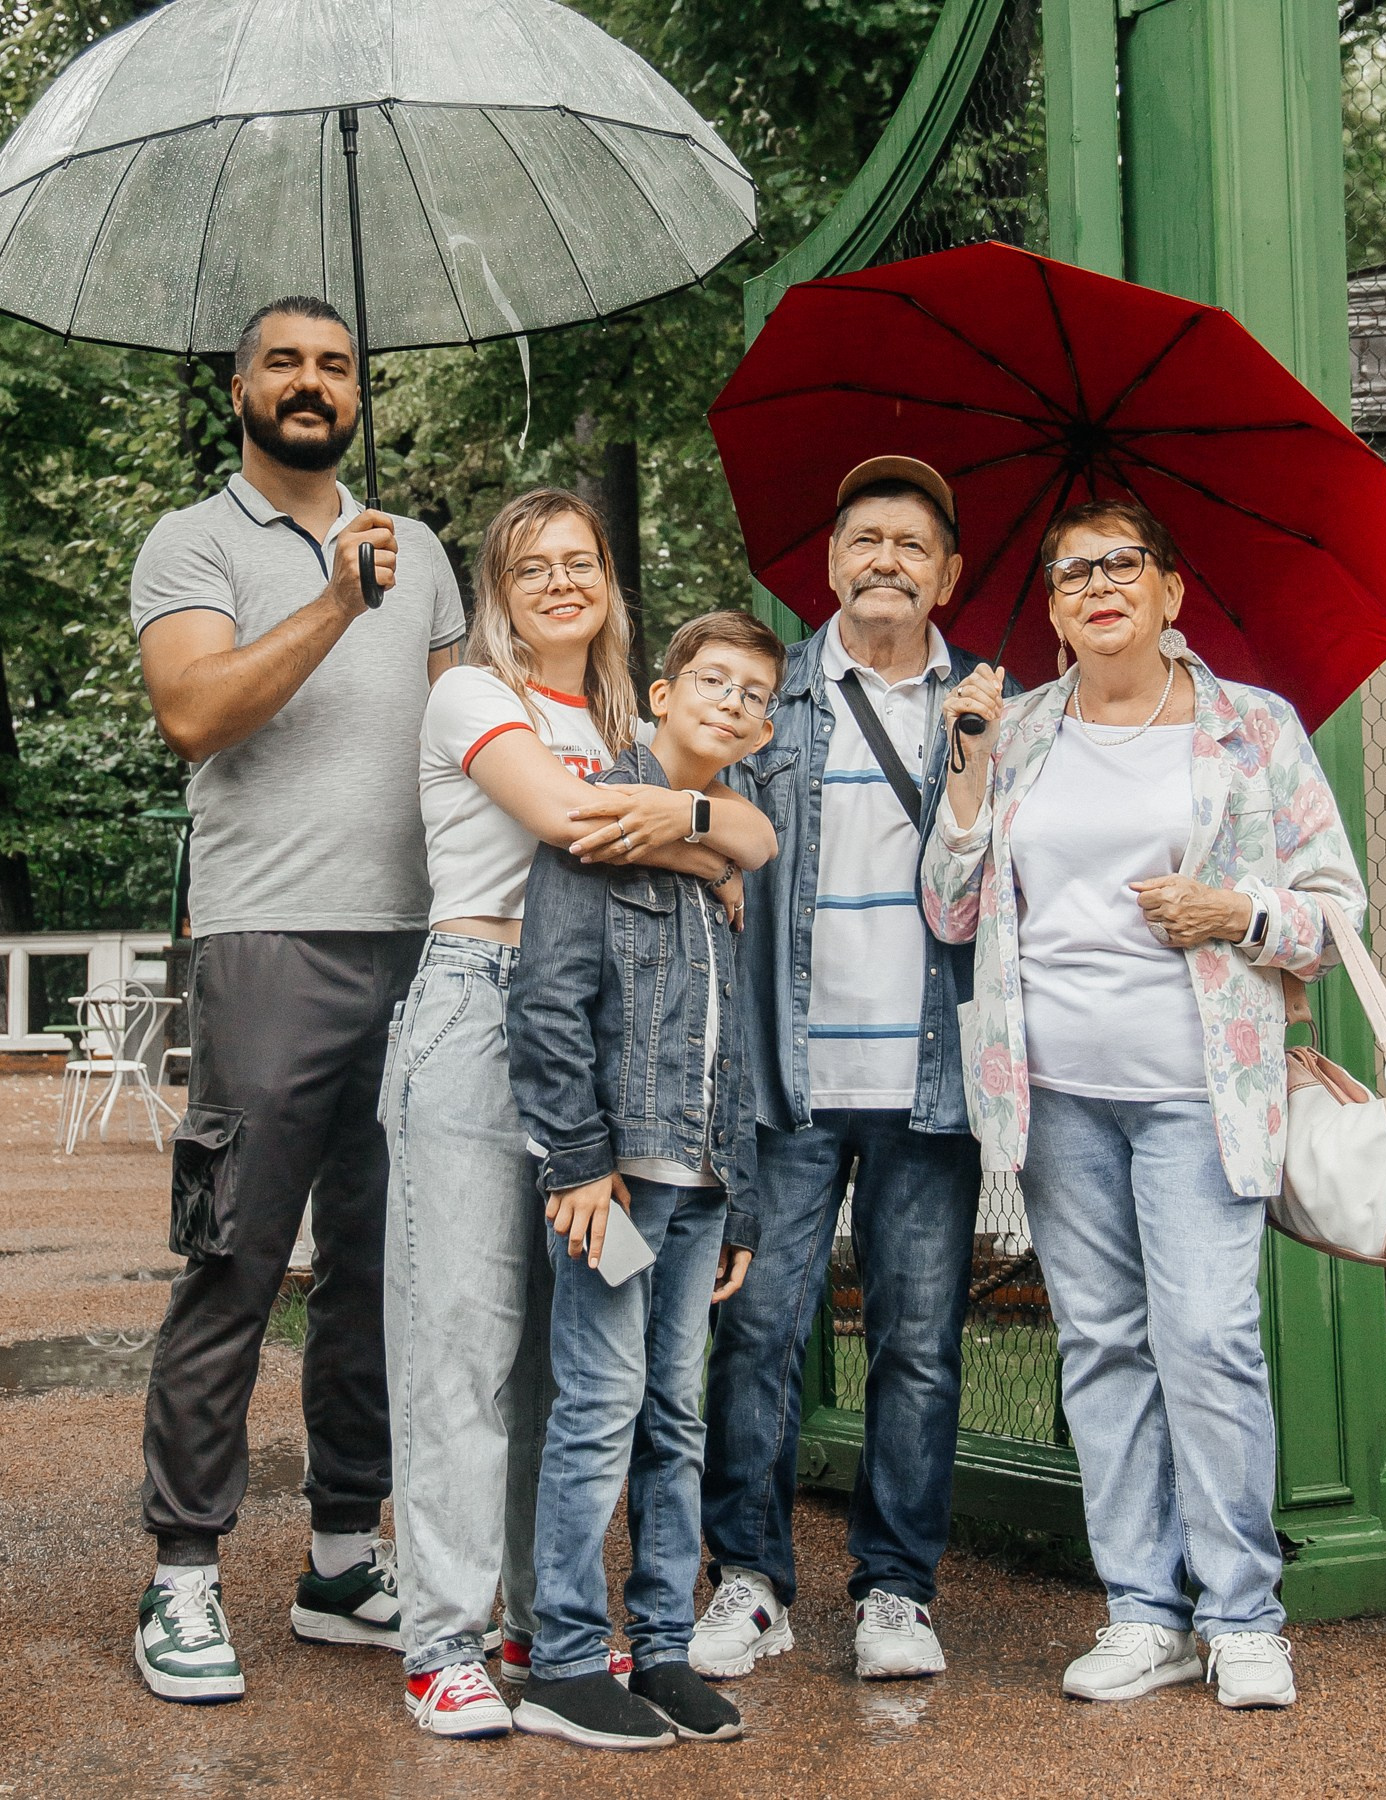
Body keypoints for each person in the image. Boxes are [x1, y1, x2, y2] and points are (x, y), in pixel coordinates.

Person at [921, 495, 1366, 1712]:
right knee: (1104, 1345)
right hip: (1055, 1093)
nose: (1097, 586)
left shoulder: (1249, 731)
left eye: (1123, 565)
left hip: (1199, 1089)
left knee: (1208, 1340)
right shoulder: (1011, 731)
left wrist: (1240, 915)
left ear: (1172, 592)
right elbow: (951, 911)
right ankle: (1141, 1611)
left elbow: (1336, 907)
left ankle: (1242, 1614)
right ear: (1054, 608)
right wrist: (963, 776)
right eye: (1071, 573)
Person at [384, 494, 776, 1739]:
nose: (560, 582)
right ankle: (438, 1641)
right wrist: (709, 843)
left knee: (575, 1360)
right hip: (476, 1008)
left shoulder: (620, 719)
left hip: (608, 1039)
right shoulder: (468, 696)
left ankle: (532, 1615)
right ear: (498, 593)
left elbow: (754, 828)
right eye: (531, 567)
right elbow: (573, 825)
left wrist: (713, 830)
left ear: (610, 581)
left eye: (582, 562)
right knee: (463, 1343)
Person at [125, 296, 467, 1704]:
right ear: (239, 391)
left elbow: (464, 746)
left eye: (335, 365)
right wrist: (335, 595)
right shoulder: (193, 542)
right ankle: (184, 1576)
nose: (313, 383)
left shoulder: (424, 550)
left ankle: (341, 1556)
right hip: (269, 945)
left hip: (423, 946)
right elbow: (195, 712)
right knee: (237, 1263)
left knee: (386, 1278)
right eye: (286, 363)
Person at [695, 456, 1002, 1684]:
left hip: (932, 1090)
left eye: (911, 545)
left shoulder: (996, 710)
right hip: (787, 1082)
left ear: (948, 576)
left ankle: (895, 1592)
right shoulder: (767, 705)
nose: (885, 559)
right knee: (758, 1331)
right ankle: (750, 1581)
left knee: (919, 1343)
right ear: (829, 564)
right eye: (864, 538)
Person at [507, 611, 785, 1752]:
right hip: (619, 1186)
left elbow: (734, 1040)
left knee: (675, 1413)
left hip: (701, 1186)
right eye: (709, 681)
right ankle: (566, 1657)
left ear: (762, 728)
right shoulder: (601, 816)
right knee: (600, 1406)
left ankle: (660, 1646)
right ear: (662, 696)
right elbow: (547, 1004)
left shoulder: (724, 853)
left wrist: (743, 1200)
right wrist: (576, 1162)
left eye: (752, 694)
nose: (730, 701)